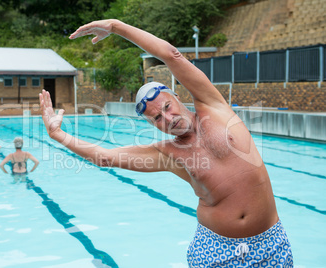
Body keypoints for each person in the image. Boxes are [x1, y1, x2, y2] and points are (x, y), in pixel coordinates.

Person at [39, 19, 293, 267]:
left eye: (168, 107)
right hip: (215, 251)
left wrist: (117, 27)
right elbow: (106, 157)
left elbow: (172, 56)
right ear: (153, 125)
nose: (168, 118)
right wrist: (59, 135)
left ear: (177, 96)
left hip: (270, 244)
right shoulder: (169, 154)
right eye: (157, 118)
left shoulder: (214, 107)